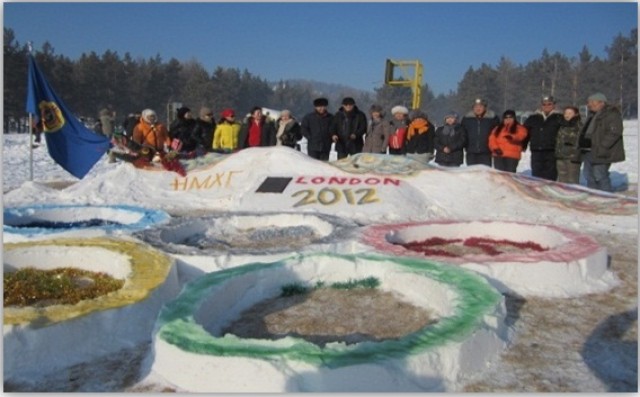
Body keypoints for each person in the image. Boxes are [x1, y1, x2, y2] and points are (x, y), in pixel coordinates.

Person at [578, 93, 625, 192]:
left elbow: (614, 132)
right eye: (588, 102)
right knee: (588, 175)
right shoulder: (592, 114)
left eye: (592, 102)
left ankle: (606, 197)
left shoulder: (611, 114)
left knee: (599, 175)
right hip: (588, 150)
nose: (589, 104)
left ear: (601, 103)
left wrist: (602, 147)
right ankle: (594, 196)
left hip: (602, 151)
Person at [523, 95, 564, 181]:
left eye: (549, 104)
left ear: (554, 105)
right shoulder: (533, 118)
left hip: (551, 151)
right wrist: (523, 144)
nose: (546, 106)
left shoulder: (559, 118)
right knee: (537, 176)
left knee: (550, 176)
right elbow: (525, 132)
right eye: (544, 104)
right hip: (536, 150)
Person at [461, 98, 500, 167]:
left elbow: (498, 134)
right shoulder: (467, 119)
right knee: (471, 173)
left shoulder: (492, 119)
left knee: (484, 174)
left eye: (480, 106)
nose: (478, 108)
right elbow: (462, 134)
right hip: (471, 152)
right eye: (476, 107)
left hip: (486, 152)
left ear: (485, 107)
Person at [555, 106, 583, 184]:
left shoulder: (579, 126)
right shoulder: (561, 125)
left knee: (572, 179)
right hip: (560, 156)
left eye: (570, 113)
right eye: (565, 113)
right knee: (562, 179)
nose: (567, 115)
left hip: (572, 157)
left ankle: (573, 194)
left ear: (576, 114)